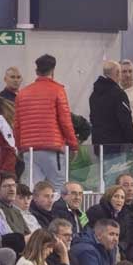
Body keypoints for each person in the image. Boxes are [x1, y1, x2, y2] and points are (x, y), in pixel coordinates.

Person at [13, 56, 78, 191]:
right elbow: (65, 121)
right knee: (60, 188)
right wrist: (73, 145)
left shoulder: (22, 93)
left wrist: (19, 146)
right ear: (53, 70)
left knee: (32, 189)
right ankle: (59, 213)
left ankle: (30, 213)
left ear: (37, 71)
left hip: (29, 150)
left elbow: (17, 125)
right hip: (52, 149)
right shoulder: (58, 90)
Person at [88, 61, 133, 151]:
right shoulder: (119, 94)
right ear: (117, 73)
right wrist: (131, 140)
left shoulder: (94, 95)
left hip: (99, 146)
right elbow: (125, 121)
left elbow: (93, 119)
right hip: (117, 147)